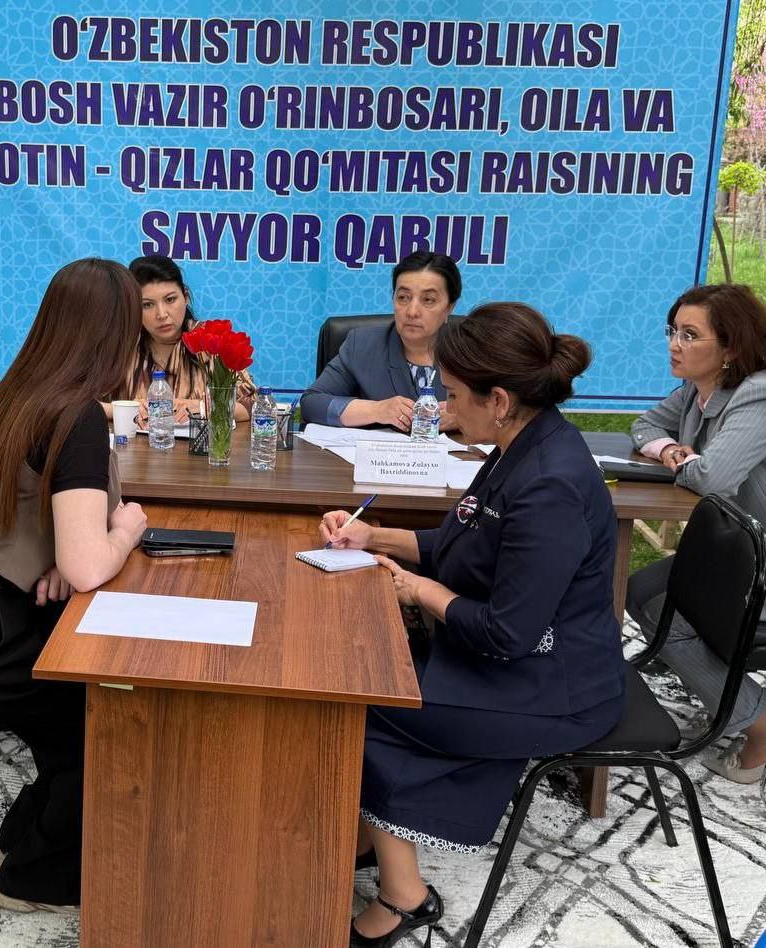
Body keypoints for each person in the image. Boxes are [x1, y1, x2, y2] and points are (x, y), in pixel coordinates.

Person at [318, 303, 625, 947]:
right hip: (508, 659)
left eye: (454, 395)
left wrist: (419, 590)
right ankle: (376, 841)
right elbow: (464, 545)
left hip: (549, 686)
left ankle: (405, 897)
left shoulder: (550, 485)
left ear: (500, 401)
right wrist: (375, 537)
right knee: (361, 671)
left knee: (359, 700)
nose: (444, 408)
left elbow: (508, 634)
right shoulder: (518, 448)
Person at [0, 258, 148, 913]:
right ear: (115, 335)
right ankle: (32, 881)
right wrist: (125, 528)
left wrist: (66, 550)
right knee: (106, 718)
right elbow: (89, 568)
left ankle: (16, 843)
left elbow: (35, 521)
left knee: (75, 717)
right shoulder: (79, 416)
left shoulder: (21, 393)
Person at [627, 283, 766, 785]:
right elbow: (644, 426)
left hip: (759, 561)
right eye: (673, 331)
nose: (674, 344)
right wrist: (670, 450)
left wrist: (688, 464)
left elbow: (712, 478)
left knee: (661, 604)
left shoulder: (757, 393)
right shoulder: (697, 387)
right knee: (640, 589)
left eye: (690, 335)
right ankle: (730, 699)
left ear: (730, 347)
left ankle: (758, 722)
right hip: (735, 552)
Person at [300, 251, 461, 432]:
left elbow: (490, 411)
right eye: (403, 297)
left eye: (428, 300)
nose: (412, 311)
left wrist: (464, 417)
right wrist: (377, 410)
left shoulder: (470, 350)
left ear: (450, 307)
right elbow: (312, 404)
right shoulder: (362, 345)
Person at [122, 254, 256, 426]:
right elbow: (91, 405)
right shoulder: (122, 345)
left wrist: (201, 407)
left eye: (170, 299)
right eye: (147, 304)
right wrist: (132, 409)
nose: (161, 314)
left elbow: (251, 406)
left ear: (185, 297)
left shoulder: (212, 340)